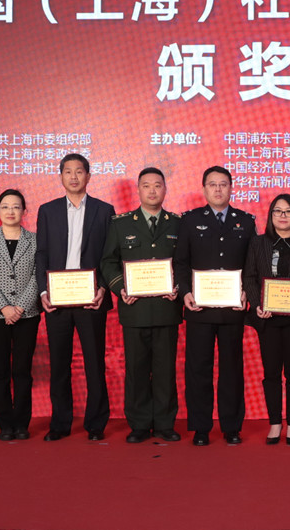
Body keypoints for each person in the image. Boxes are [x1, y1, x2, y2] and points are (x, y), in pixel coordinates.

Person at [100, 168, 184, 443]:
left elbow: (184, 262)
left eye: (157, 185)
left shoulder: (177, 223)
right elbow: (108, 261)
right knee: (136, 370)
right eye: (146, 185)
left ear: (165, 189)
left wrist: (178, 287)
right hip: (134, 308)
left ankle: (165, 423)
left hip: (166, 308)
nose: (152, 191)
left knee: (165, 370)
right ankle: (138, 424)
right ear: (138, 190)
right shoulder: (121, 224)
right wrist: (120, 288)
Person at [35, 153, 115, 441]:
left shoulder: (104, 210)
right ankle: (60, 423)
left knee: (94, 362)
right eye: (67, 171)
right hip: (57, 299)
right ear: (60, 176)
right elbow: (41, 253)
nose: (73, 177)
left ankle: (96, 424)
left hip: (91, 298)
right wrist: (43, 291)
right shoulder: (48, 210)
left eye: (79, 171)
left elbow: (110, 255)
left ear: (88, 176)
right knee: (59, 364)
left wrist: (103, 287)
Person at [173, 166, 255, 446]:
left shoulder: (245, 221)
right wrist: (185, 292)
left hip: (232, 308)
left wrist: (247, 292)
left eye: (223, 184)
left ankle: (232, 427)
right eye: (212, 184)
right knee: (198, 368)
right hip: (199, 308)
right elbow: (181, 262)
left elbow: (251, 266)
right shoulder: (190, 220)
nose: (218, 189)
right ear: (204, 189)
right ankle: (201, 427)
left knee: (232, 369)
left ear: (231, 188)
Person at [243, 193, 290, 446]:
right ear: (270, 215)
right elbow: (250, 277)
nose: (282, 216)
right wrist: (257, 305)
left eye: (288, 211)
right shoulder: (258, 243)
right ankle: (275, 422)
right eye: (277, 211)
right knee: (271, 373)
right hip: (268, 319)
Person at [0, 189, 41, 441]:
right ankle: (5, 423)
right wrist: (4, 307)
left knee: (22, 370)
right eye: (5, 206)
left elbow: (38, 275)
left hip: (28, 313)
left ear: (24, 211)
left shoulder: (36, 240)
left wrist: (20, 306)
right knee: (0, 370)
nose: (10, 211)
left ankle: (22, 423)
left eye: (16, 206)